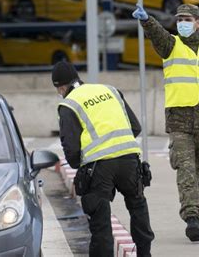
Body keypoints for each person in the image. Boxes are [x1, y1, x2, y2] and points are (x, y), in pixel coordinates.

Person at [132, 3, 199, 241]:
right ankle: (192, 219)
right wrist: (147, 20)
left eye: (186, 19)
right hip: (180, 121)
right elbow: (158, 35)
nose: (182, 24)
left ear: (198, 23)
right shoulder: (171, 45)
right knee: (186, 170)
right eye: (178, 20)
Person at [52, 61, 155, 257]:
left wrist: (81, 164)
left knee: (101, 220)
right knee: (137, 204)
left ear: (61, 87)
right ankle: (145, 253)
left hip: (99, 167)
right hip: (129, 159)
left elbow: (71, 150)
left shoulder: (68, 104)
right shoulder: (110, 90)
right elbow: (135, 127)